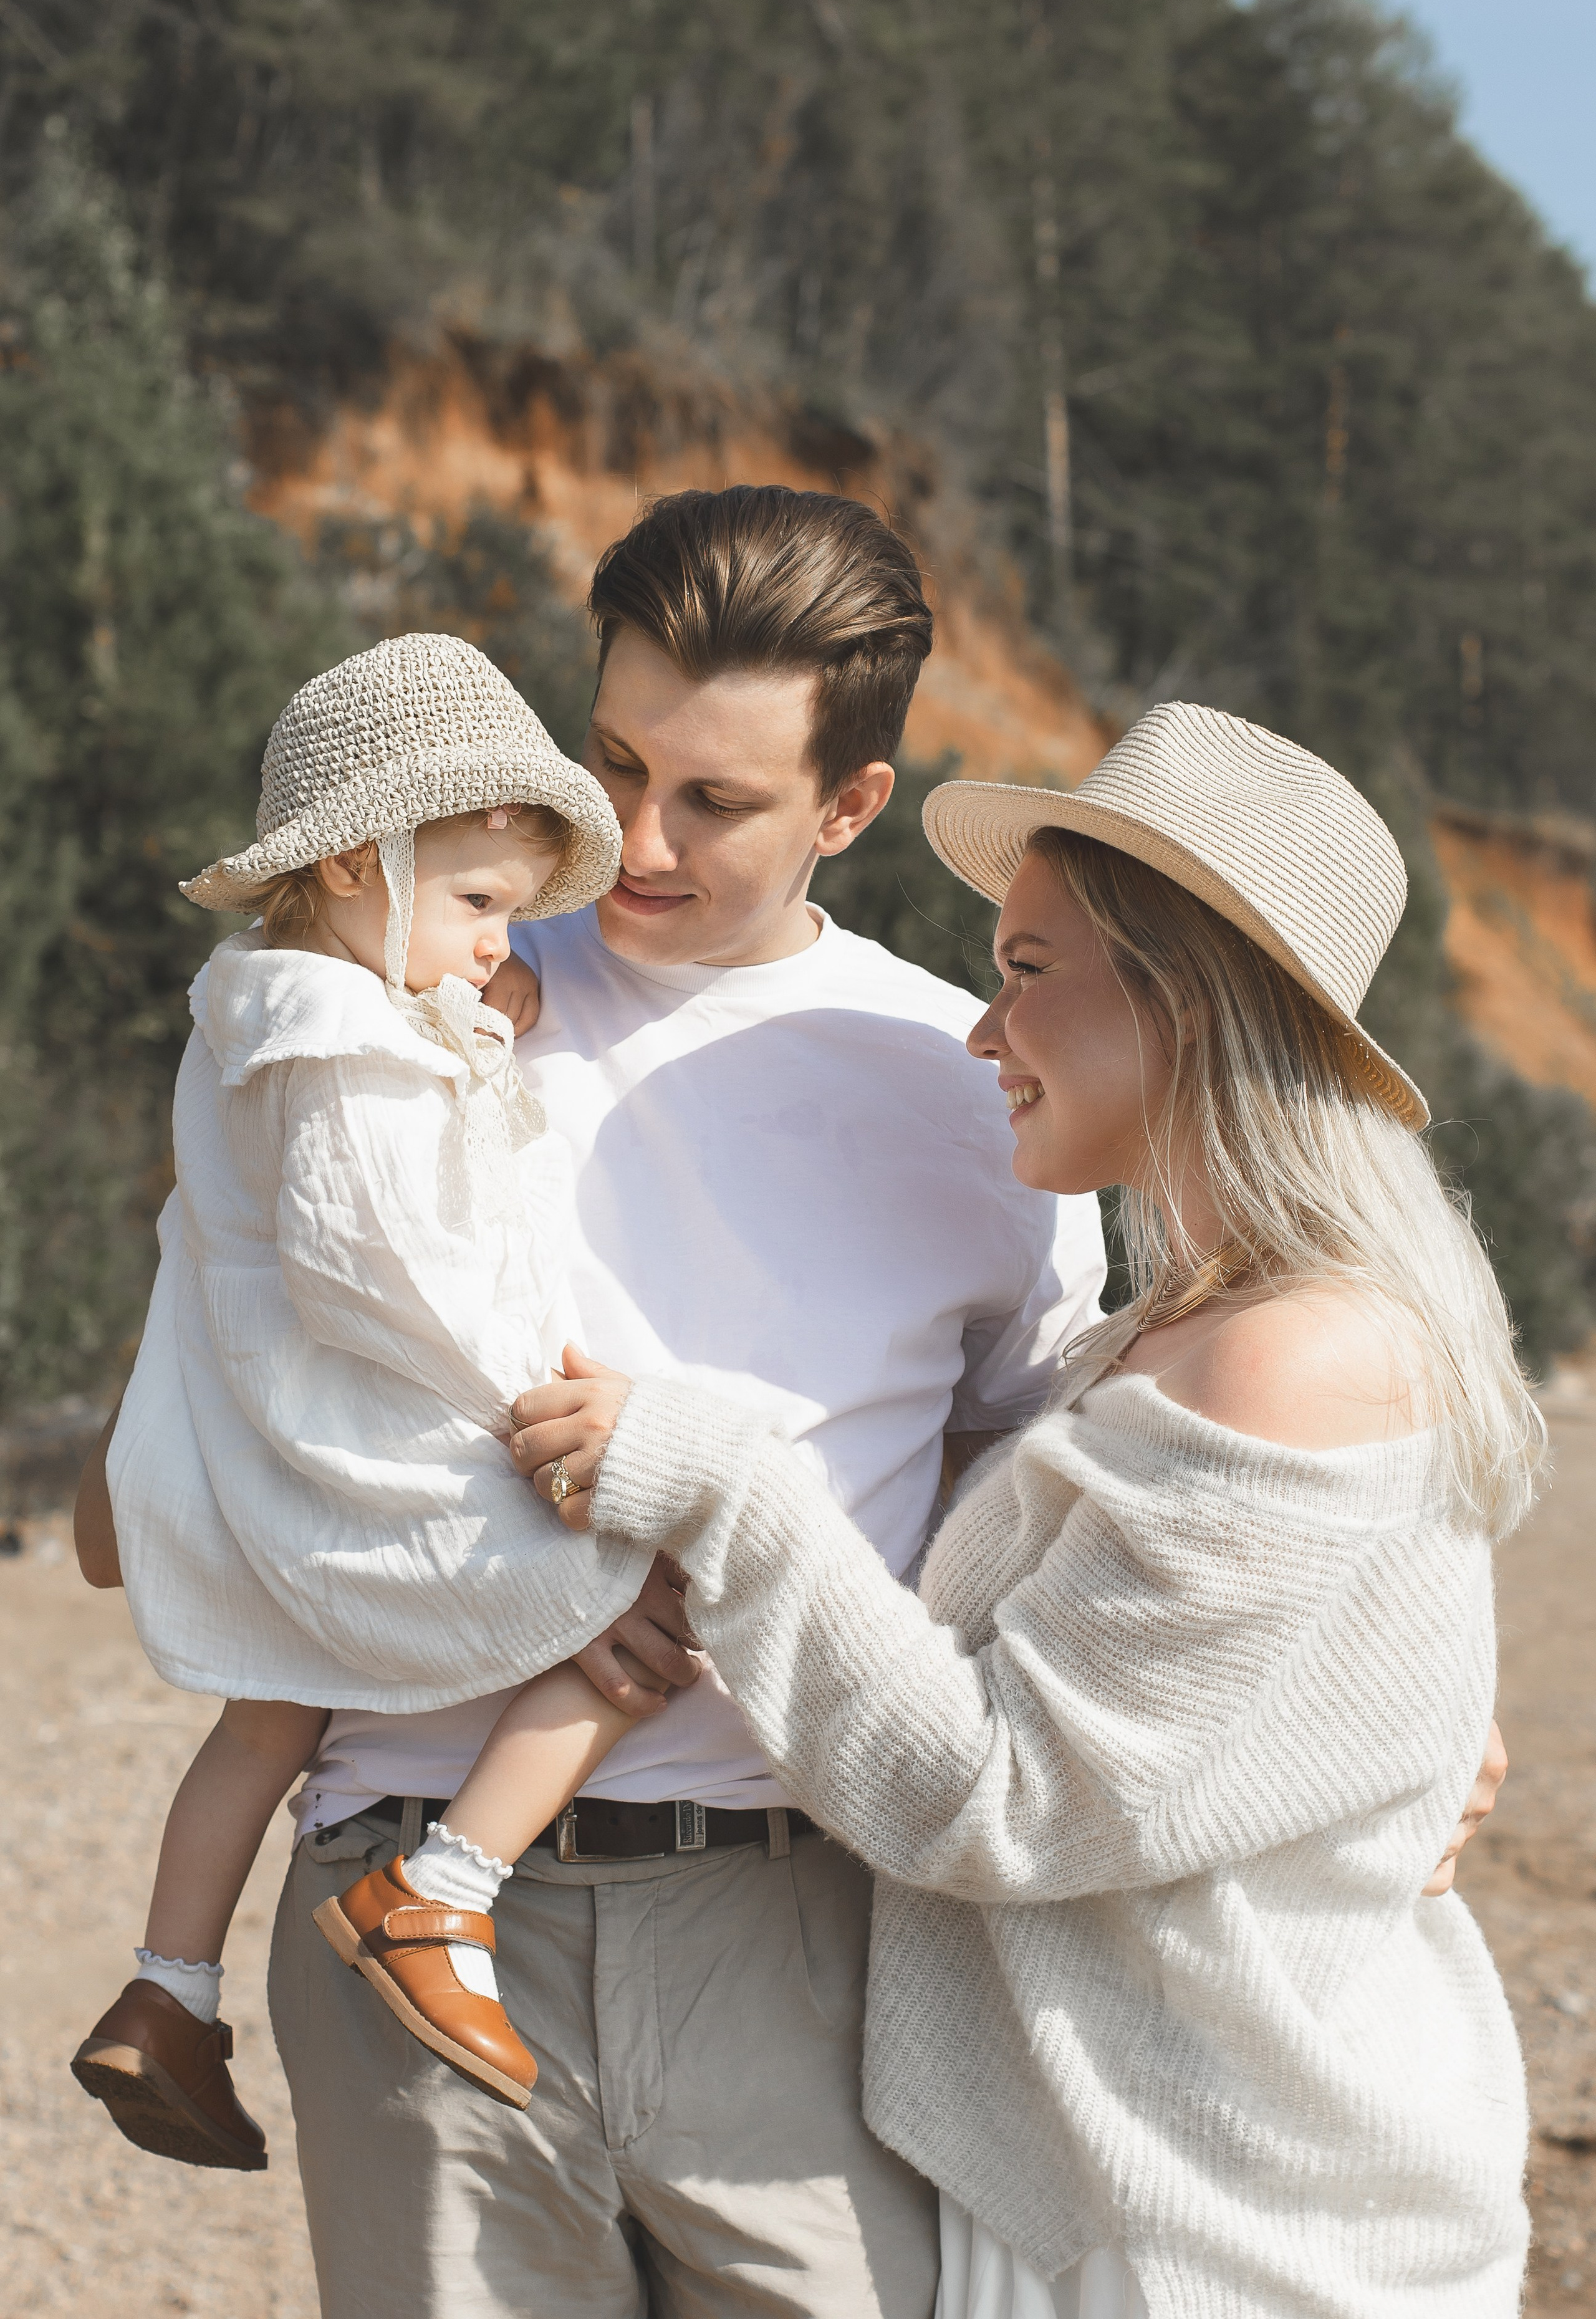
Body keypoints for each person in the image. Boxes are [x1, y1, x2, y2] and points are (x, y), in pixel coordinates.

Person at [516, 700, 1539, 2319]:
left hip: (1234, 2242)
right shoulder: (1187, 1329)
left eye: (1027, 972)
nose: (985, 1038)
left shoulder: (1294, 1354)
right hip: (1140, 2200)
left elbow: (1002, 1799)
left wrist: (725, 1486)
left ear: (1188, 999)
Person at [264, 486, 1110, 2318]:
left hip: (813, 1934)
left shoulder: (977, 1086)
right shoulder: (410, 999)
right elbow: (202, 1425)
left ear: (851, 807)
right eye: (615, 760)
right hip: (407, 1886)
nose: (633, 841)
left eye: (714, 799)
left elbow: (1065, 1518)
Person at [70, 631, 687, 2161]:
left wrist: (472, 1010)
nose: (499, 945)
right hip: (374, 1427)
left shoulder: (275, 1016)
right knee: (646, 1607)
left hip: (278, 1436)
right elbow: (372, 1266)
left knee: (270, 1711)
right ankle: (444, 1892)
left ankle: (165, 1989)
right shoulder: (332, 1040)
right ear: (356, 868)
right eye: (477, 906)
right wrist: (527, 1408)